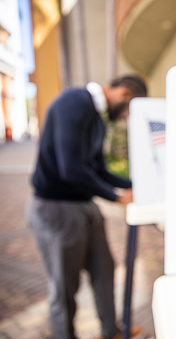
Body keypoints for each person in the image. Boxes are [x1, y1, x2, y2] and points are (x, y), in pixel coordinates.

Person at [26, 75, 148, 339]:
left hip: (85, 205)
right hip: (58, 207)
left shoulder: (96, 116)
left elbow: (98, 169)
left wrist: (136, 185)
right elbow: (71, 169)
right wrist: (115, 197)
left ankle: (111, 331)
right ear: (125, 94)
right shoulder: (75, 102)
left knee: (105, 269)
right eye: (129, 109)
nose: (126, 116)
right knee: (64, 287)